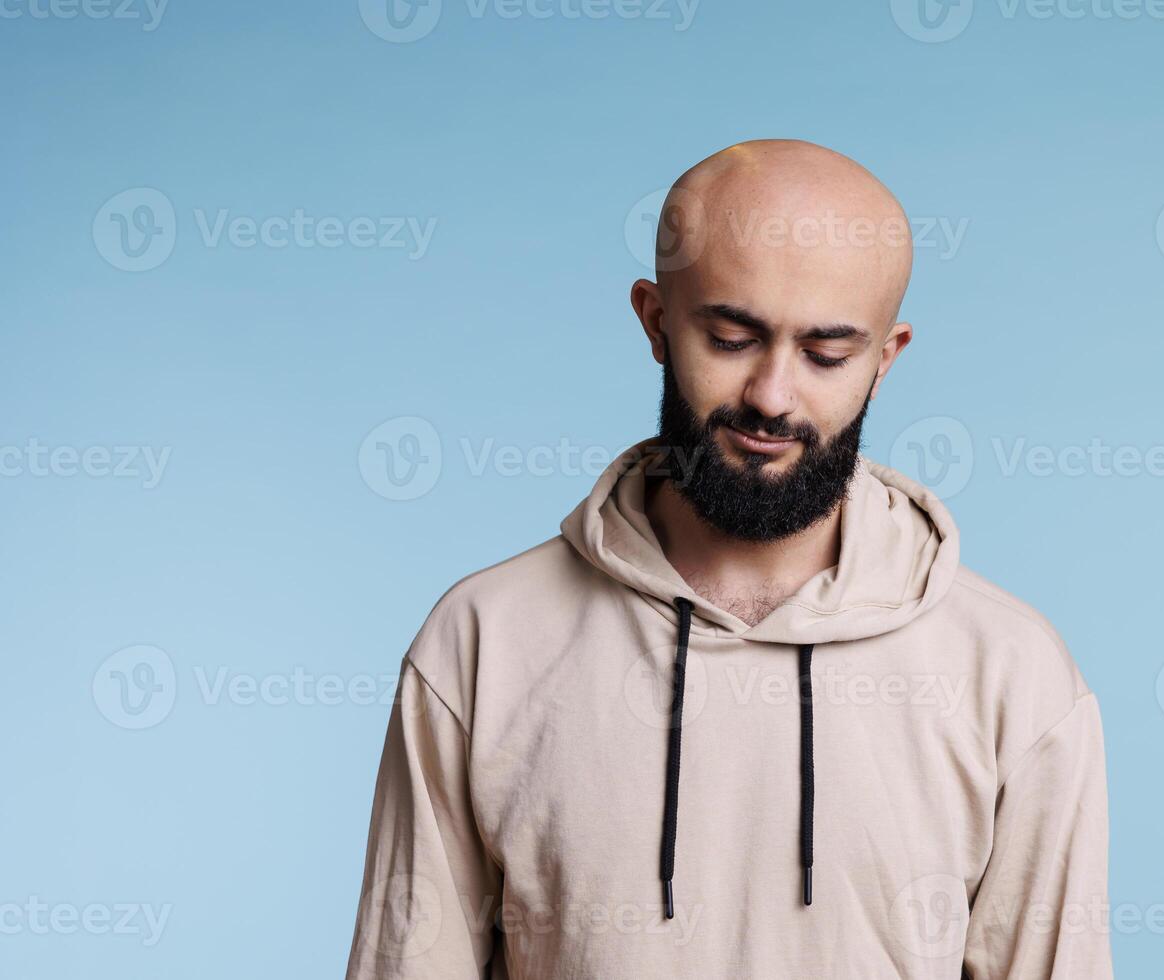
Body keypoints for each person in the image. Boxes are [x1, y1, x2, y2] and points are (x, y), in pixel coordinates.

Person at [344, 139, 1113, 979]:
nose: (773, 397)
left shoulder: (1012, 674)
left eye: (827, 354)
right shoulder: (484, 642)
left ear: (884, 361)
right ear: (655, 322)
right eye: (733, 337)